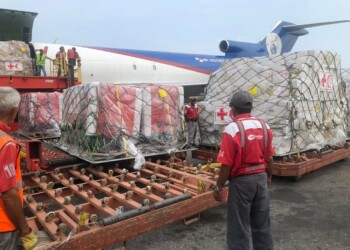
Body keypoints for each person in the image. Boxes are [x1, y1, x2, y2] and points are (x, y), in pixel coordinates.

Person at [213, 90, 274, 250]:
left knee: (238, 227)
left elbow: (226, 165)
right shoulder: (264, 126)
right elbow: (270, 158)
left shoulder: (232, 129)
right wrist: (268, 178)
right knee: (262, 224)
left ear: (233, 108)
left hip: (241, 183)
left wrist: (218, 186)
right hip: (261, 179)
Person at [0, 87, 37, 250]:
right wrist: (24, 230)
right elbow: (9, 195)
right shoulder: (5, 143)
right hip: (3, 225)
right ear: (14, 110)